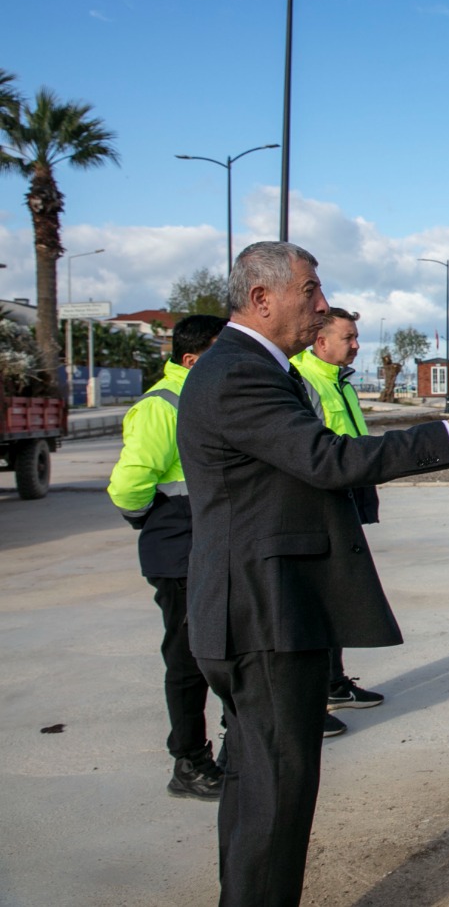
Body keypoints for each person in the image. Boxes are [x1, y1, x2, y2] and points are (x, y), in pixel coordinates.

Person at [177, 241, 449, 907]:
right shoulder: (239, 373)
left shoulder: (244, 368)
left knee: (256, 785)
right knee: (277, 790)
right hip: (266, 611)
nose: (323, 303)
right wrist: (446, 438)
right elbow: (324, 458)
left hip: (254, 607)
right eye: (311, 290)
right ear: (261, 298)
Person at [107, 313, 229, 801]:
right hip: (178, 548)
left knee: (222, 650)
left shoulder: (207, 397)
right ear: (192, 358)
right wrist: (152, 520)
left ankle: (230, 749)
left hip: (210, 542)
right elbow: (128, 485)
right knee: (188, 659)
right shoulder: (162, 405)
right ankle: (189, 761)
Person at [290, 307, 383, 739]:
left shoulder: (335, 379)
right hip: (317, 504)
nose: (357, 345)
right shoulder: (303, 382)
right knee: (316, 604)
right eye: (349, 337)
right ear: (321, 342)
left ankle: (334, 682)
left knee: (338, 596)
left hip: (347, 494)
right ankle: (313, 699)